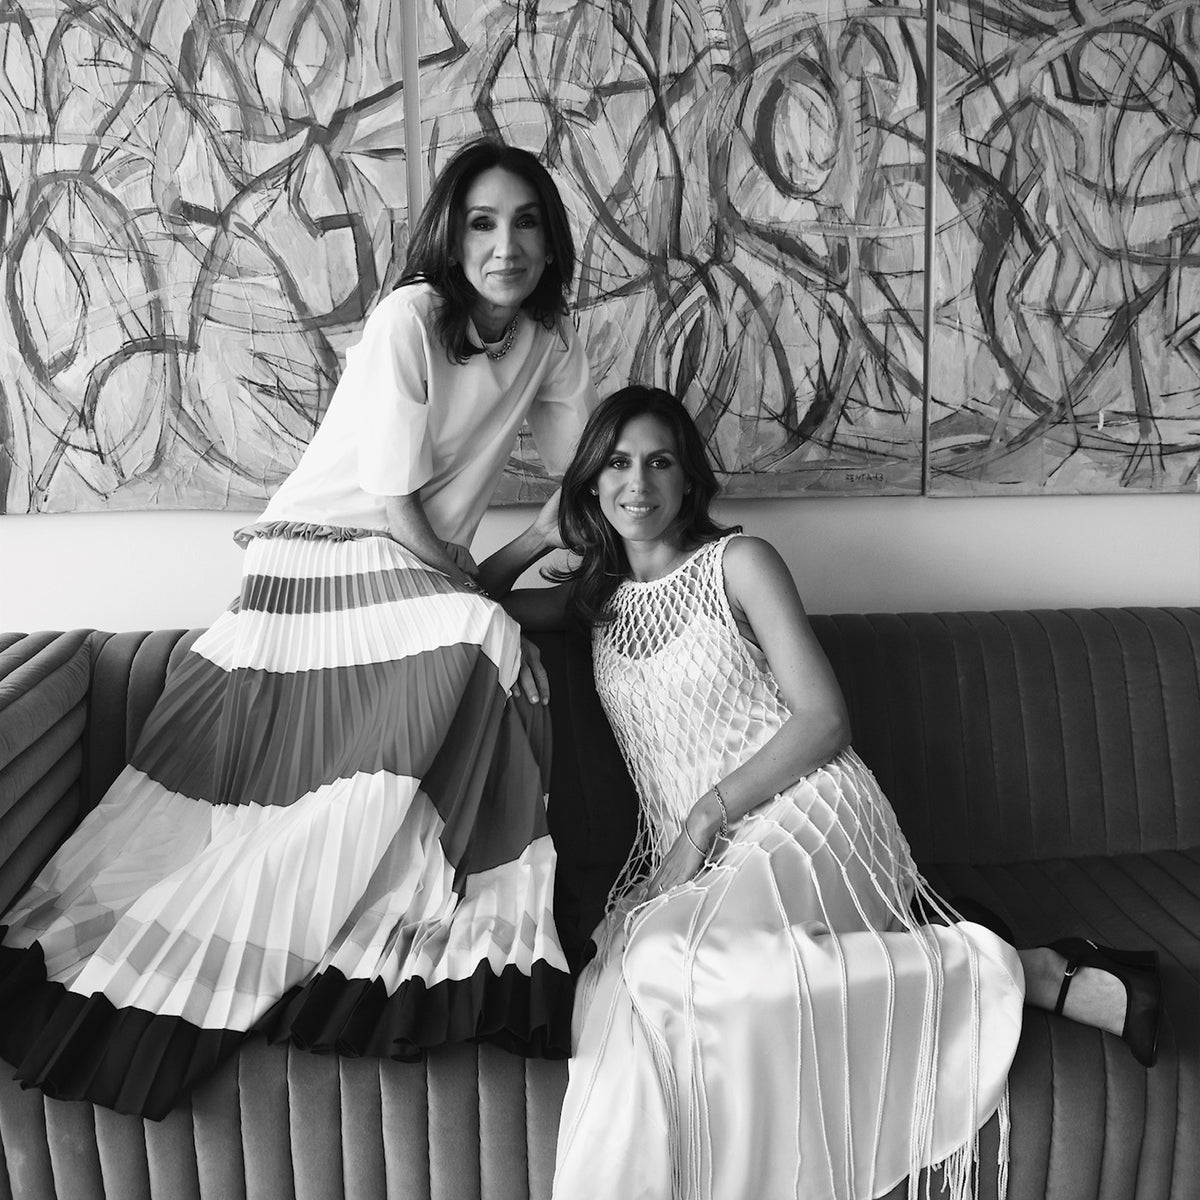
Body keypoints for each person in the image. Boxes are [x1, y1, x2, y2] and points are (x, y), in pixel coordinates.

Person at [0, 139, 598, 1119]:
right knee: (484, 635)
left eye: (527, 223)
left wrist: (583, 543)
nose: (507, 246)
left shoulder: (549, 341)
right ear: (452, 238)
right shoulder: (409, 319)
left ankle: (416, 920)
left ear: (551, 238)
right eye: (483, 224)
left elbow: (586, 471)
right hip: (319, 552)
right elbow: (397, 506)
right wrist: (486, 601)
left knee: (485, 634)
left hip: (410, 575)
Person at [479, 385, 1161, 1200]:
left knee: (659, 958)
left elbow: (824, 719)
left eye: (659, 462)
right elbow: (471, 603)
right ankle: (1020, 964)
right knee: (622, 989)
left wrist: (702, 821)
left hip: (807, 813)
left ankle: (1006, 968)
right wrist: (539, 532)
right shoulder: (595, 601)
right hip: (705, 855)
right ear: (591, 479)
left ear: (688, 479)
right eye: (617, 464)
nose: (638, 483)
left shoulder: (739, 563)